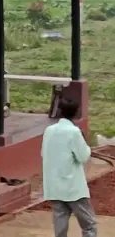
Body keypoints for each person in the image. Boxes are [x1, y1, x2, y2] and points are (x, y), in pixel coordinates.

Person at [41, 97, 96, 237]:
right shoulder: (74, 132)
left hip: (54, 186)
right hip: (73, 189)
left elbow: (43, 153)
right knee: (89, 225)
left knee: (60, 225)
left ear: (59, 111)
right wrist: (86, 143)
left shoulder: (49, 130)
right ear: (76, 113)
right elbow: (83, 156)